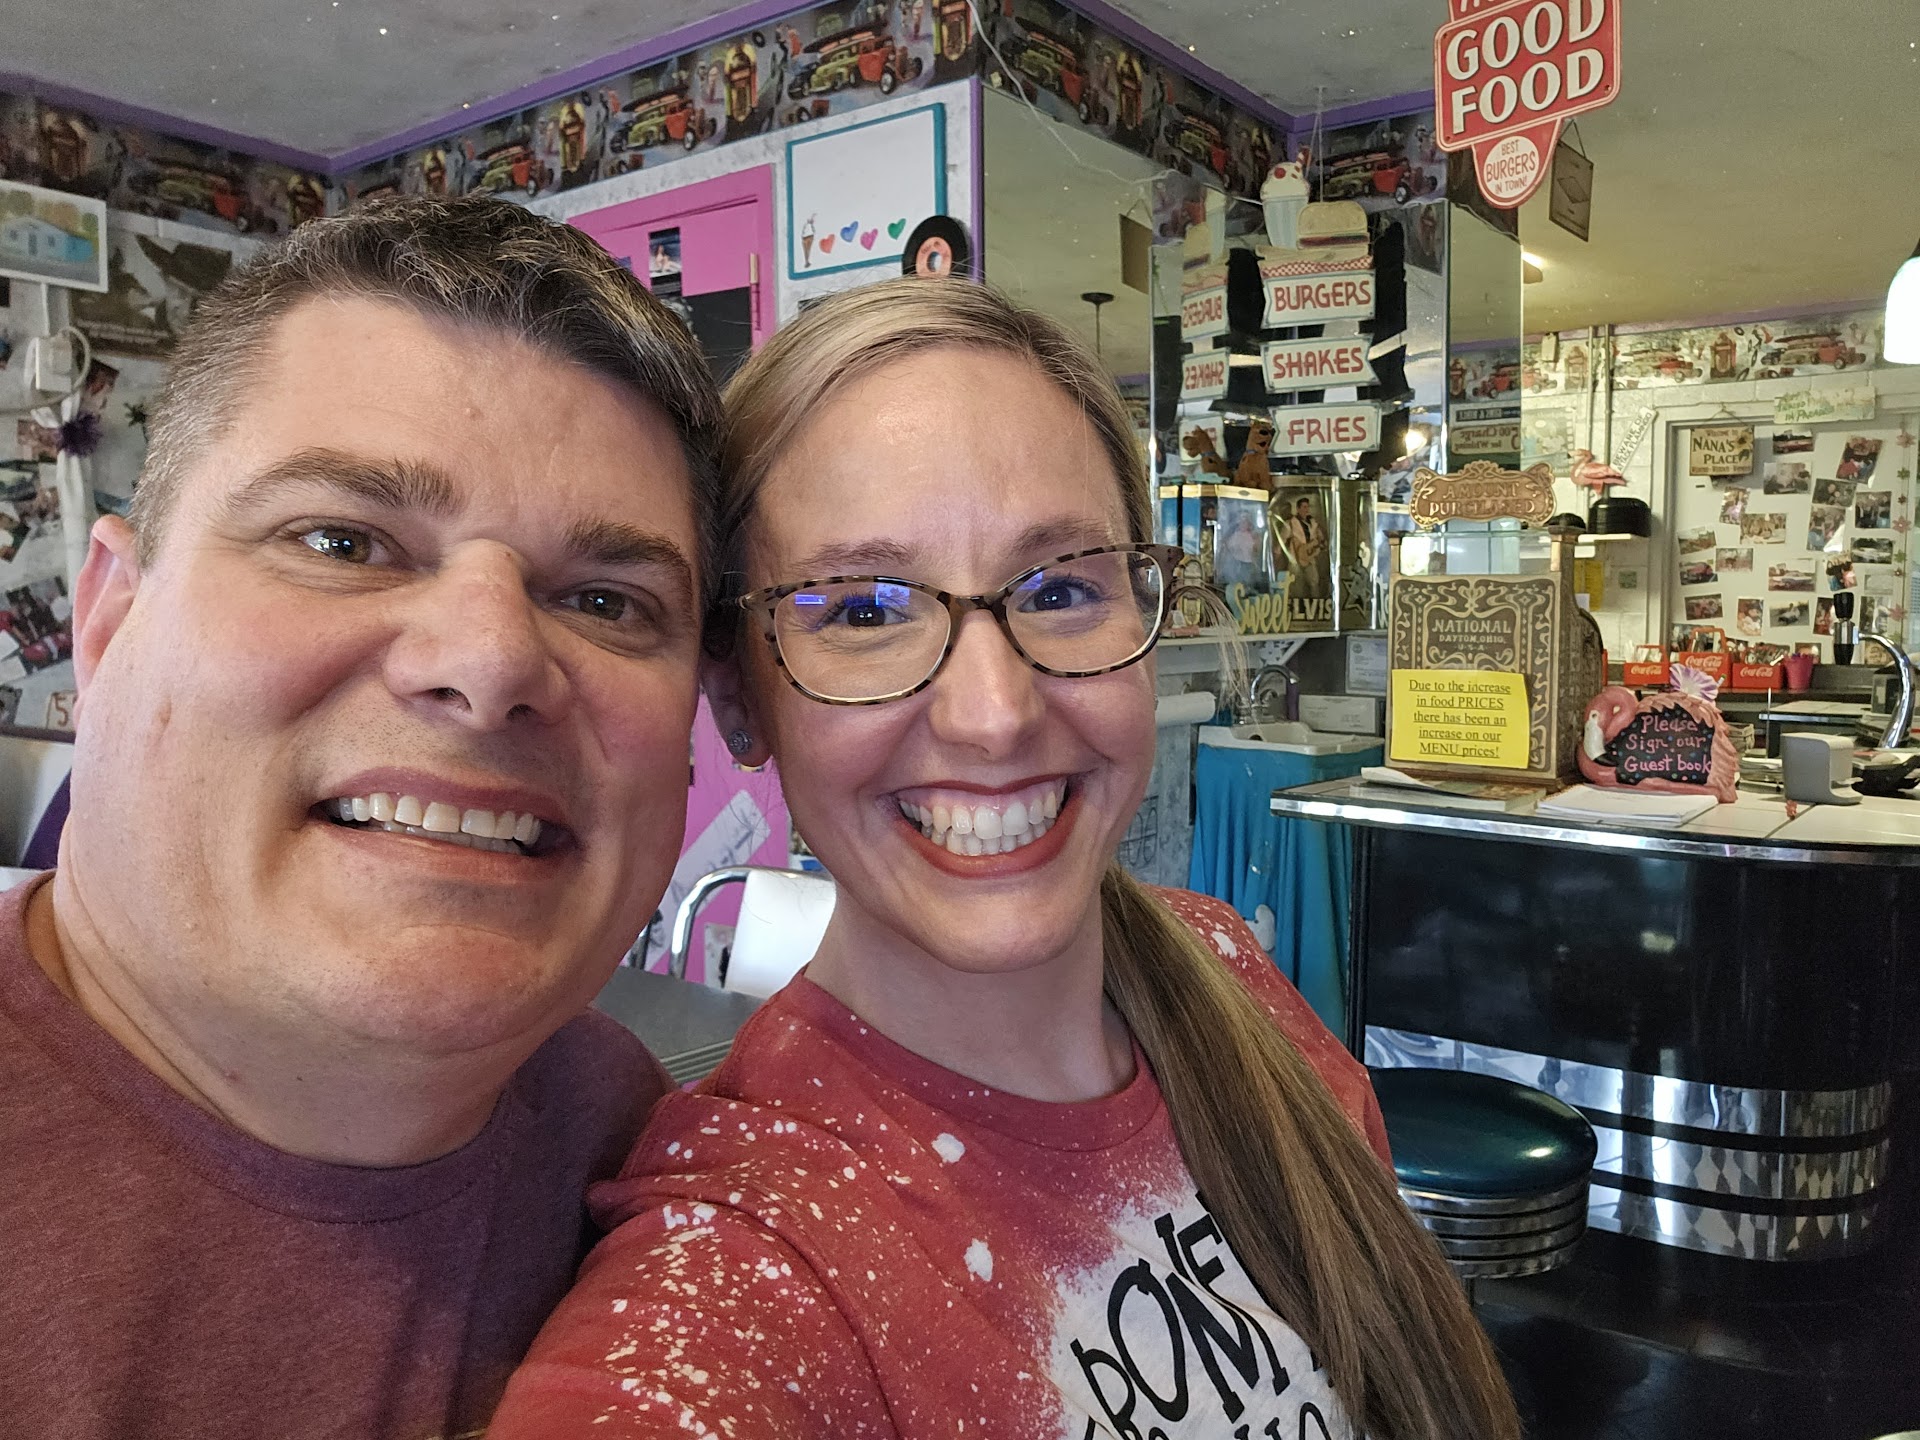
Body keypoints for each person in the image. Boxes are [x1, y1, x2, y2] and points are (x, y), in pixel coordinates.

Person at [492, 279, 1519, 1439]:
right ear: (739, 696)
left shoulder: (1226, 972)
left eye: (1062, 589)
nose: (993, 715)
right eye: (866, 612)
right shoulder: (742, 1262)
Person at [0, 195, 723, 1437]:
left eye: (606, 602)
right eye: (342, 541)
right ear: (108, 621)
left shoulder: (645, 1157)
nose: (491, 660)